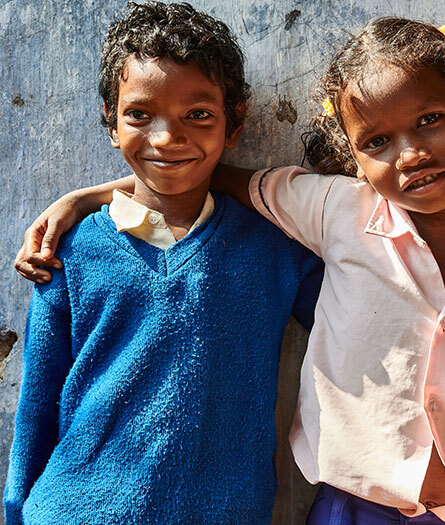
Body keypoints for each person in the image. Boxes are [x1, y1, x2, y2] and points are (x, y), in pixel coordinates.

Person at [211, 19, 445, 525]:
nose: (410, 154)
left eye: (429, 119)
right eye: (377, 141)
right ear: (354, 159)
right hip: (352, 512)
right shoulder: (335, 210)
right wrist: (88, 199)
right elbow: (200, 172)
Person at [4, 3, 324, 524]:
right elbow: (38, 405)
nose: (166, 138)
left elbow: (365, 307)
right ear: (110, 122)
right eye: (139, 115)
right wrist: (17, 511)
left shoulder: (276, 249)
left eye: (197, 114)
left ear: (234, 123)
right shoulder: (70, 250)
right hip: (76, 510)